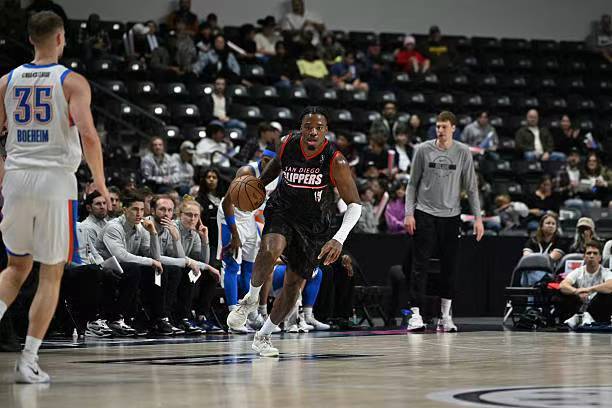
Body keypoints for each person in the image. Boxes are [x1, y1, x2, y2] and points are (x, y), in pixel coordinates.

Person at [0, 11, 109, 383]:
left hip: (16, 179)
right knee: (51, 273)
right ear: (61, 38)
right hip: (54, 182)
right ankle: (28, 360)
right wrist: (100, 182)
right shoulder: (71, 81)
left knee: (15, 269)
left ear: (31, 39)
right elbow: (89, 135)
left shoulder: (6, 81)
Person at [226, 107, 362, 356]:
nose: (313, 132)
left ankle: (263, 336)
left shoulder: (335, 160)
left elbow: (355, 205)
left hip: (314, 225)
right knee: (271, 249)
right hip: (282, 210)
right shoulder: (287, 143)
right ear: (301, 129)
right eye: (308, 127)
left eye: (318, 128)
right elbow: (277, 165)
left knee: (294, 285)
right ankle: (251, 299)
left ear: (325, 131)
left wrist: (338, 239)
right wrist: (259, 185)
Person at [404, 111, 484, 332]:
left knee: (449, 267)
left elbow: (471, 188)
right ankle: (415, 315)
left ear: (453, 128)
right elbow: (412, 184)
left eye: (444, 127)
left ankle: (445, 316)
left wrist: (478, 218)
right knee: (419, 266)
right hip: (425, 213)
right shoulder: (422, 150)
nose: (440, 130)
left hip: (451, 215)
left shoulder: (463, 152)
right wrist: (409, 213)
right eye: (438, 126)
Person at [218, 150, 279, 333]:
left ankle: (250, 315)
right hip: (231, 218)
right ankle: (233, 319)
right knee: (232, 265)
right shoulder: (247, 172)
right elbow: (226, 203)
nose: (268, 164)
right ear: (262, 159)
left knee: (250, 269)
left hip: (249, 218)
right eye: (266, 160)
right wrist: (235, 235)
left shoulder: (278, 176)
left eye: (273, 162)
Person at [95, 191, 163, 335]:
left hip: (124, 267)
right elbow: (121, 257)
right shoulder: (113, 227)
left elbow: (155, 257)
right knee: (134, 269)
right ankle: (116, 318)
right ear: (125, 209)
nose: (139, 213)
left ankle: (157, 319)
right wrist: (151, 261)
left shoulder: (141, 228)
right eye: (135, 209)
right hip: (103, 267)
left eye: (142, 210)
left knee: (157, 271)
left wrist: (153, 233)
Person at [174, 199, 221, 332]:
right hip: (171, 267)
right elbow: (178, 256)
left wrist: (205, 239)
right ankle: (184, 317)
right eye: (189, 214)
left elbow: (204, 261)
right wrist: (204, 266)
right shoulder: (173, 228)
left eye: (196, 215)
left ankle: (202, 316)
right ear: (179, 214)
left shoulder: (193, 233)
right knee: (190, 273)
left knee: (210, 275)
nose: (193, 218)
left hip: (186, 266)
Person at [560, 241, 612, 329]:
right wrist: (576, 291)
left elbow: (610, 285)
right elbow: (563, 285)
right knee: (561, 293)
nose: (591, 256)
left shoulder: (606, 272)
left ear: (600, 258)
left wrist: (589, 289)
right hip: (579, 304)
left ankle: (590, 319)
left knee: (607, 294)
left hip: (597, 308)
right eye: (589, 253)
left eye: (595, 253)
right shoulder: (578, 271)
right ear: (584, 257)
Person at [522, 212, 565, 286]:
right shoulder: (533, 240)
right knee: (528, 269)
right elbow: (526, 257)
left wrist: (534, 259)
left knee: (531, 272)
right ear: (541, 226)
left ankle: (534, 286)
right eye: (548, 223)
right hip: (535, 271)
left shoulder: (560, 241)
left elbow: (551, 259)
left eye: (553, 224)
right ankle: (538, 283)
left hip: (551, 273)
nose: (551, 226)